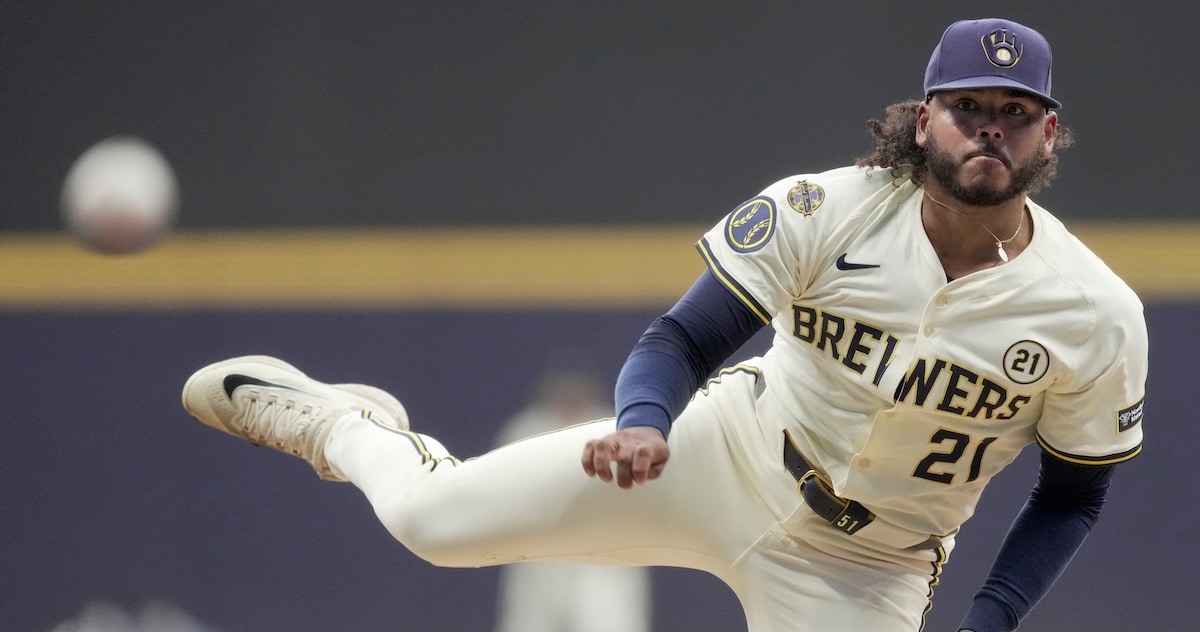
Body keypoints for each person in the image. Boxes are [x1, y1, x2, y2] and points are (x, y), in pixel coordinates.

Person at [181, 18, 1146, 632]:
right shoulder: (829, 208)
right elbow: (682, 340)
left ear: (1048, 134)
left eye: (1016, 113)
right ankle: (346, 426)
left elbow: (1073, 497)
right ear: (925, 118)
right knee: (432, 522)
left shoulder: (1093, 311)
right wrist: (645, 422)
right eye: (969, 106)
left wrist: (993, 619)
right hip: (727, 451)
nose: (991, 128)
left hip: (867, 567)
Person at [491, 361, 652, 632]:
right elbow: (499, 494)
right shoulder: (526, 429)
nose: (571, 399)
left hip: (606, 553)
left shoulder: (614, 427)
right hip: (539, 557)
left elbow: (641, 493)